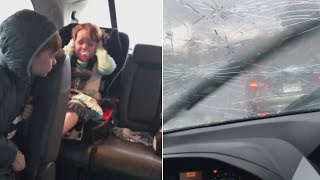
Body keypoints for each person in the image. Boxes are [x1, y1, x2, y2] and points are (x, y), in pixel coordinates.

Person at [0, 9, 61, 178]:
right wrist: (10, 154)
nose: (55, 61)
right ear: (32, 53)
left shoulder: (22, 80)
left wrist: (20, 115)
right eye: (51, 56)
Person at [62, 23, 116, 139]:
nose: (84, 47)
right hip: (66, 97)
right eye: (80, 42)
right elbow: (59, 60)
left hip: (87, 101)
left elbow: (107, 68)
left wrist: (100, 49)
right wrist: (71, 46)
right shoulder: (69, 60)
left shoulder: (99, 63)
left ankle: (55, 135)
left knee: (76, 105)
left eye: (90, 44)